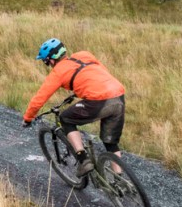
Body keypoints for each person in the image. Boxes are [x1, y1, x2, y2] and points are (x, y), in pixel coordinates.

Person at [22, 38, 126, 176]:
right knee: (110, 142)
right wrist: (80, 90)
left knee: (65, 119)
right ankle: (119, 180)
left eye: (46, 62)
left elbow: (39, 98)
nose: (48, 65)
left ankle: (84, 160)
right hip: (118, 95)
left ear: (51, 60)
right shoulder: (84, 55)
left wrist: (28, 118)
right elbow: (99, 72)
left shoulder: (58, 72)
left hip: (99, 100)